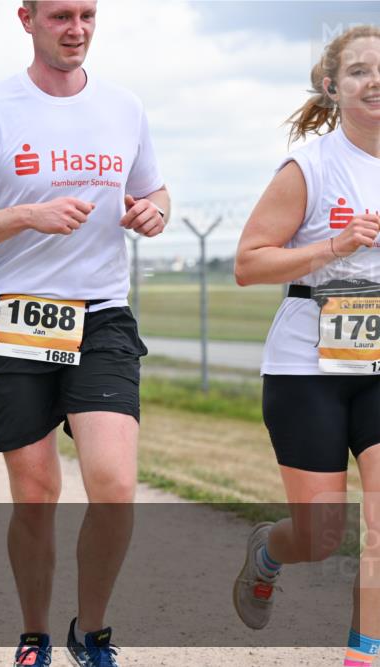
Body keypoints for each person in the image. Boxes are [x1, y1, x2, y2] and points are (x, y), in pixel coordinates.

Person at [0, 2, 170, 665]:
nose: (77, 29)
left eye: (88, 14)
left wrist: (152, 213)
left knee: (114, 484)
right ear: (26, 18)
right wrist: (26, 214)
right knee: (37, 492)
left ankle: (91, 632)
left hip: (102, 317)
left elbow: (157, 194)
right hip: (14, 317)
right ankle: (34, 634)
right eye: (61, 15)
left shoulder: (125, 108)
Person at [233, 25, 379, 667]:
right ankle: (269, 551)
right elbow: (248, 262)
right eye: (358, 71)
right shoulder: (311, 166)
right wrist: (334, 247)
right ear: (332, 87)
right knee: (322, 535)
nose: (374, 80)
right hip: (307, 367)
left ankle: (363, 654)